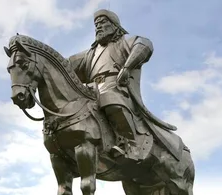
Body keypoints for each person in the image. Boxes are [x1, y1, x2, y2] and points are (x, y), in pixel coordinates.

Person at [68, 9, 175, 162]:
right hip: (91, 91)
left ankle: (130, 144)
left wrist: (127, 68)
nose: (98, 26)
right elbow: (64, 65)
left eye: (103, 22)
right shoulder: (89, 54)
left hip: (117, 87)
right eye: (96, 24)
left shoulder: (125, 42)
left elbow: (144, 44)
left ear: (114, 26)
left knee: (109, 98)